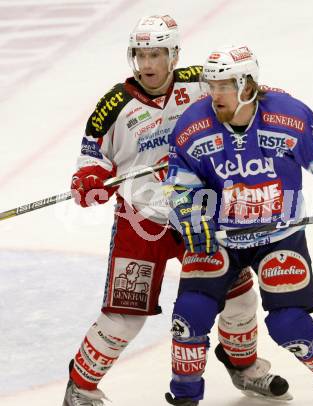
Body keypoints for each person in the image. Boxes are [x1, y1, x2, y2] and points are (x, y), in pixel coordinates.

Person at [164, 44, 313, 406]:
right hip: (220, 236)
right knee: (189, 315)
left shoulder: (288, 115)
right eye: (211, 85)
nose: (215, 94)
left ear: (247, 86)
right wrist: (189, 212)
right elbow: (179, 181)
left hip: (279, 235)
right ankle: (185, 398)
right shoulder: (193, 124)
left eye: (225, 85)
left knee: (288, 324)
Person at [64, 17, 291, 406]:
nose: (148, 64)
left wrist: (271, 103)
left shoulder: (199, 81)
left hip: (197, 216)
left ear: (174, 54)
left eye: (156, 54)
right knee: (124, 317)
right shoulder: (113, 105)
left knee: (239, 296)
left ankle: (244, 366)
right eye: (140, 55)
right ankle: (80, 388)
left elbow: (248, 96)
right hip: (142, 222)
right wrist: (89, 182)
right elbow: (92, 160)